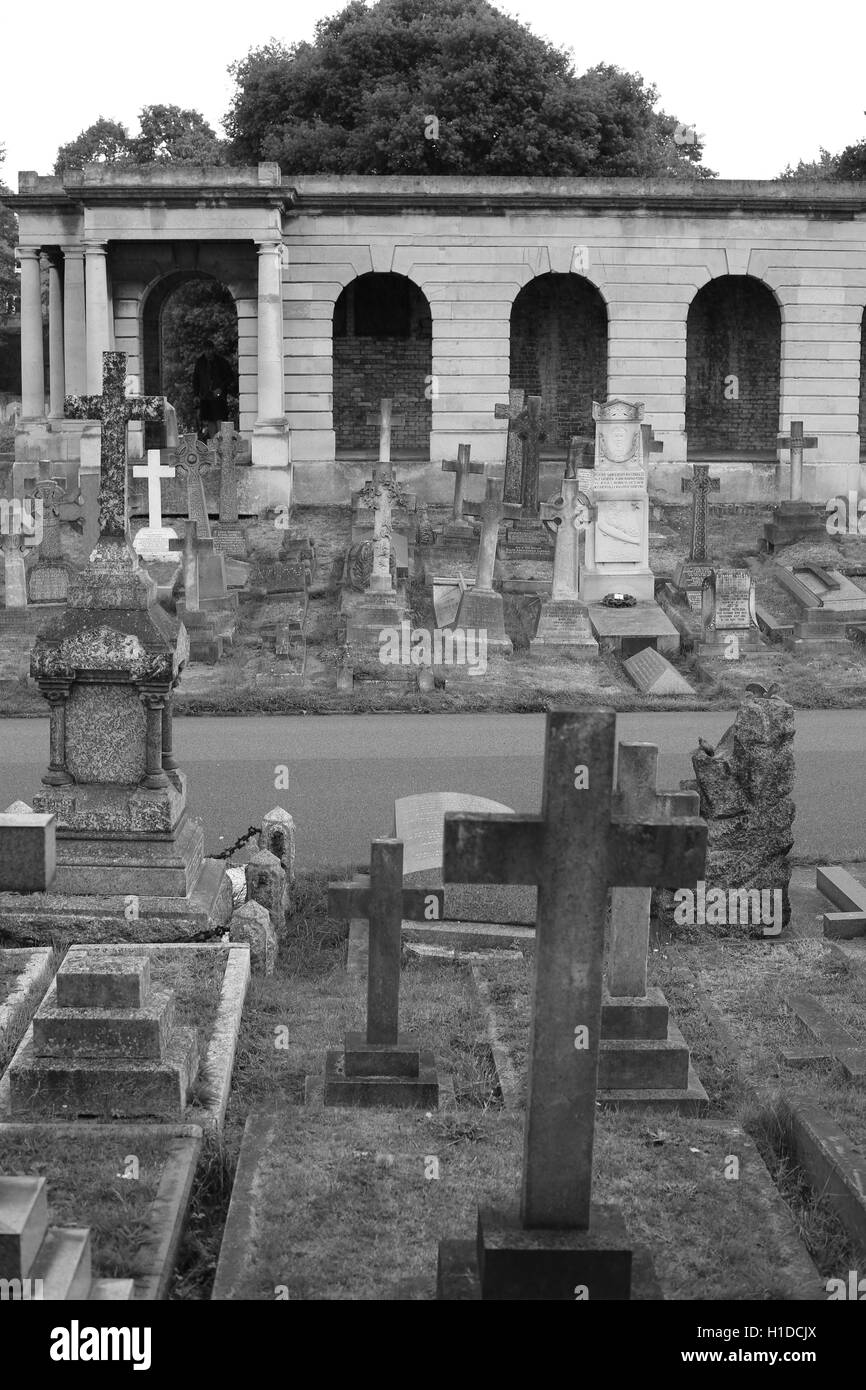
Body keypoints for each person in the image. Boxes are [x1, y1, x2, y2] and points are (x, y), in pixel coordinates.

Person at [192, 339, 236, 440]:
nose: (209, 352)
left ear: (213, 349)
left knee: (220, 419)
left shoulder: (221, 362)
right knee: (209, 420)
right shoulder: (200, 362)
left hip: (218, 397)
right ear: (204, 350)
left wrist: (221, 388)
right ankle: (213, 444)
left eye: (210, 349)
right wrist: (196, 395)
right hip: (205, 396)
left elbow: (230, 377)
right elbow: (196, 380)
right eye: (206, 350)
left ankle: (223, 442)